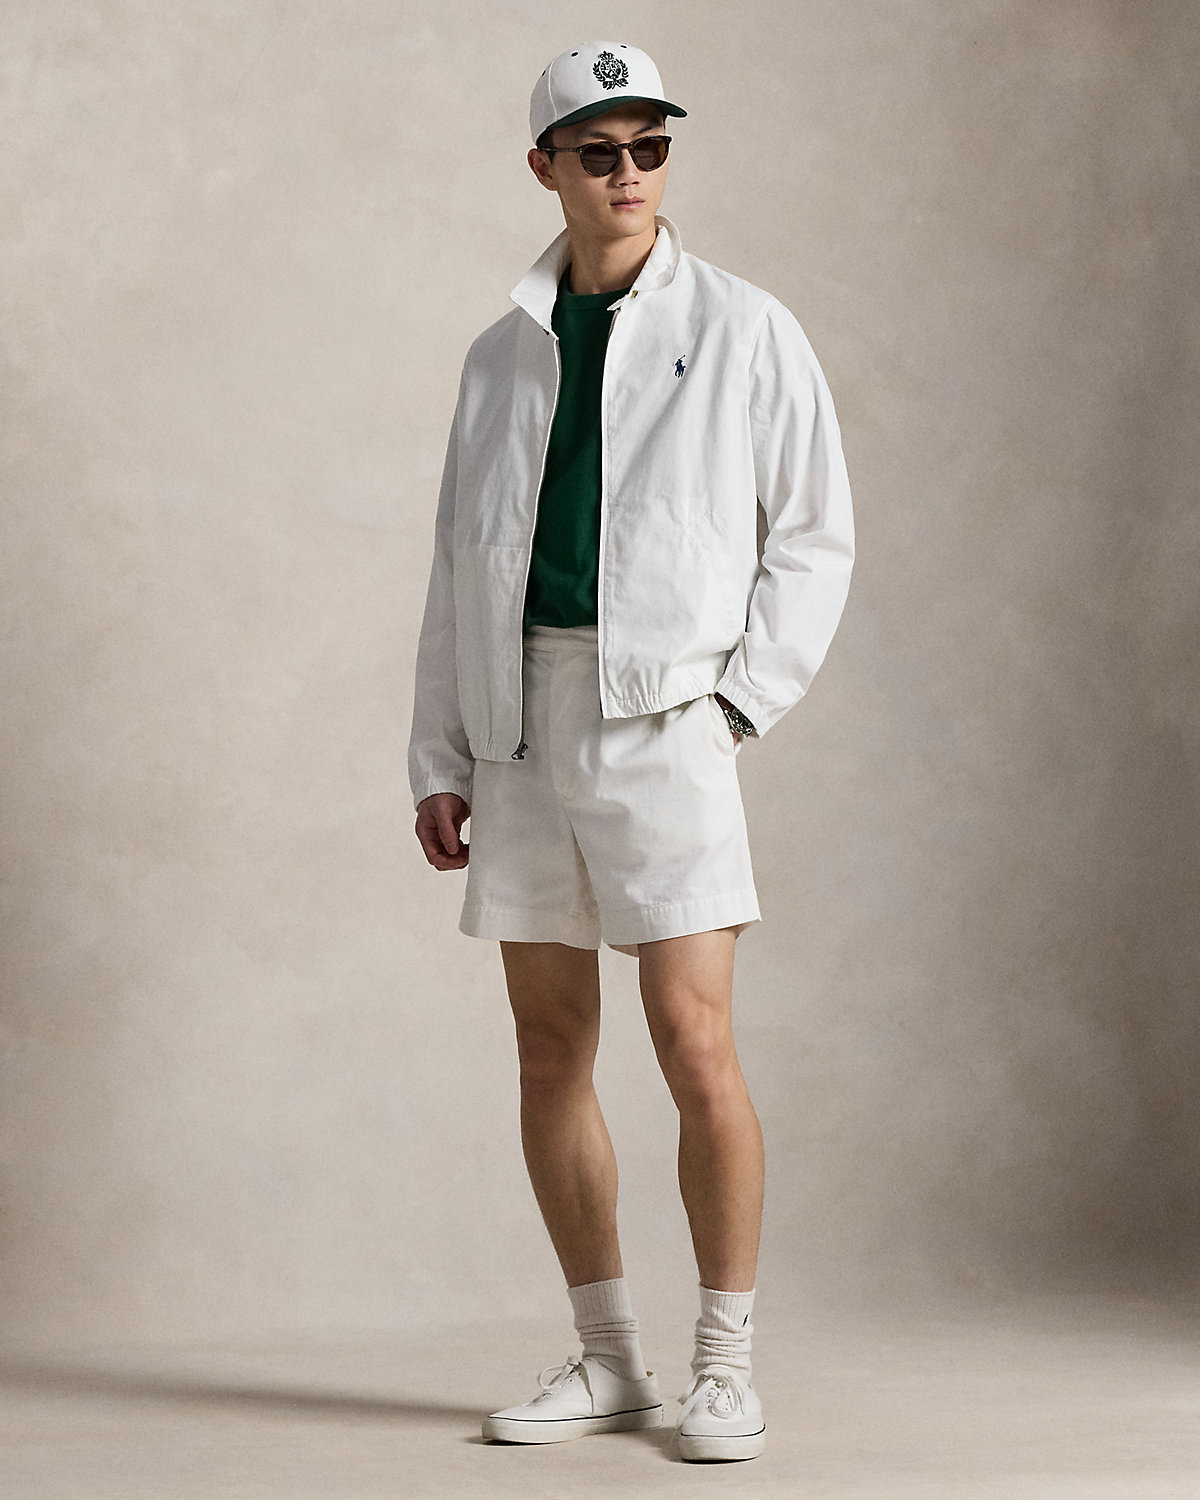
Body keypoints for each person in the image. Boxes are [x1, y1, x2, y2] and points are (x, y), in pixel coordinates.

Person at [408, 40, 854, 1463]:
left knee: (692, 1039)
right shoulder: (500, 354)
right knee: (550, 1045)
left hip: (666, 716)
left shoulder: (745, 330)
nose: (629, 175)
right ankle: (609, 1362)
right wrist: (440, 754)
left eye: (650, 149)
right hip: (520, 723)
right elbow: (460, 563)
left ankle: (724, 1363)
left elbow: (815, 536)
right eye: (598, 153)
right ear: (545, 166)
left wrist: (738, 706)